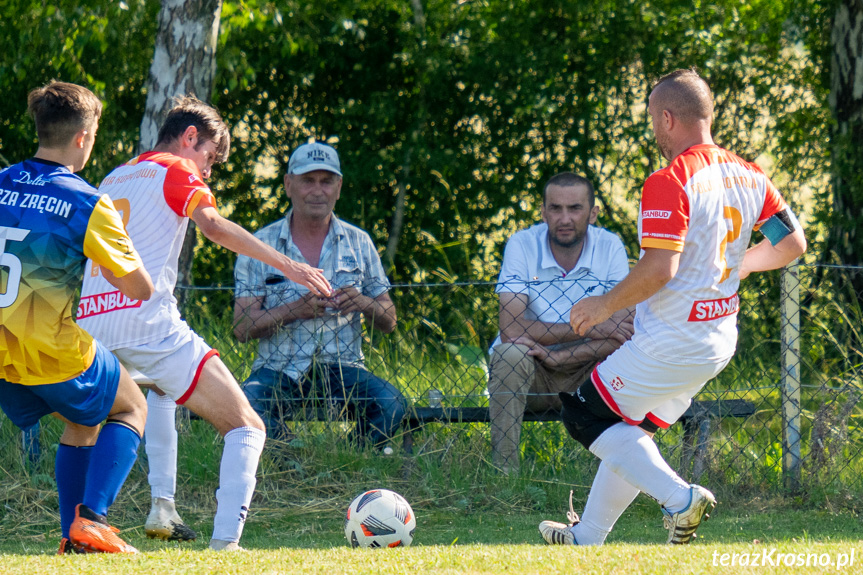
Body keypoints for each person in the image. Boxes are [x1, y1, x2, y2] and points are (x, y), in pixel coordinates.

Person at [539, 68, 807, 546]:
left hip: (671, 342)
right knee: (631, 431)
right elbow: (792, 244)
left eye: (651, 121)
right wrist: (738, 266)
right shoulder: (750, 174)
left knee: (585, 415)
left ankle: (681, 500)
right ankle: (588, 538)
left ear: (667, 118)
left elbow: (660, 268)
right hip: (718, 339)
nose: (653, 132)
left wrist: (602, 304)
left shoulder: (671, 178)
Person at [77, 97, 332, 551]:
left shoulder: (113, 176)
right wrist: (291, 267)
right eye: (210, 157)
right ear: (190, 137)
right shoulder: (177, 170)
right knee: (246, 426)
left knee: (152, 395)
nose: (208, 171)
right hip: (147, 324)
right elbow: (212, 225)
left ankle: (154, 506)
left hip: (93, 326)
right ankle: (225, 546)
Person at [0, 81, 155, 554]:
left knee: (83, 420)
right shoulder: (88, 201)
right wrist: (108, 258)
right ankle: (93, 519)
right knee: (131, 406)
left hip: (3, 350)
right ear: (84, 138)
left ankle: (75, 539)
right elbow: (139, 288)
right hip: (50, 348)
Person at [233, 141, 406, 452]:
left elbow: (389, 320)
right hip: (277, 368)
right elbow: (242, 327)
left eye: (326, 181)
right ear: (288, 185)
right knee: (247, 406)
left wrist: (363, 303)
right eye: (307, 180)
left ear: (338, 188)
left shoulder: (359, 243)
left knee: (392, 404)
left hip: (344, 368)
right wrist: (295, 309)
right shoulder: (260, 245)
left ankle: (348, 462)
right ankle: (293, 464)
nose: (318, 191)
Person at [488, 172, 633, 473]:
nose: (564, 218)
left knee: (630, 355)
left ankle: (621, 474)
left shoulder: (610, 247)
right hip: (533, 373)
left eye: (575, 208)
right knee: (508, 353)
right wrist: (593, 327)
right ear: (543, 212)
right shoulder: (522, 245)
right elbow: (512, 329)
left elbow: (624, 332)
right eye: (555, 208)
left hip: (590, 373)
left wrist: (558, 354)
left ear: (592, 213)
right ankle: (504, 477)